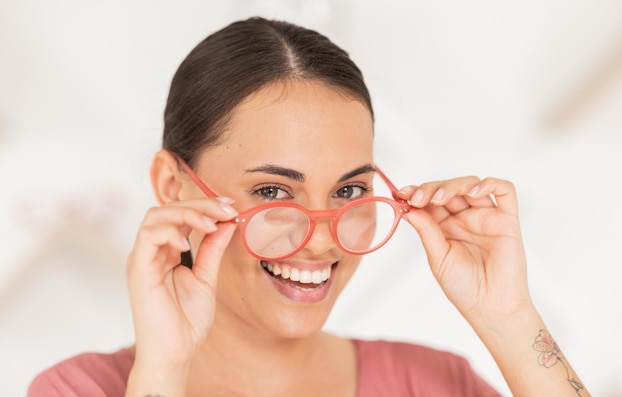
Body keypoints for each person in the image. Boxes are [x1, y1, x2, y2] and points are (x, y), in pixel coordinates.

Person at [28, 17, 589, 397]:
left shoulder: (433, 382)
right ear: (173, 186)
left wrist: (509, 318)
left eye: (348, 191)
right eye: (273, 192)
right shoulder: (79, 389)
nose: (321, 240)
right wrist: (164, 371)